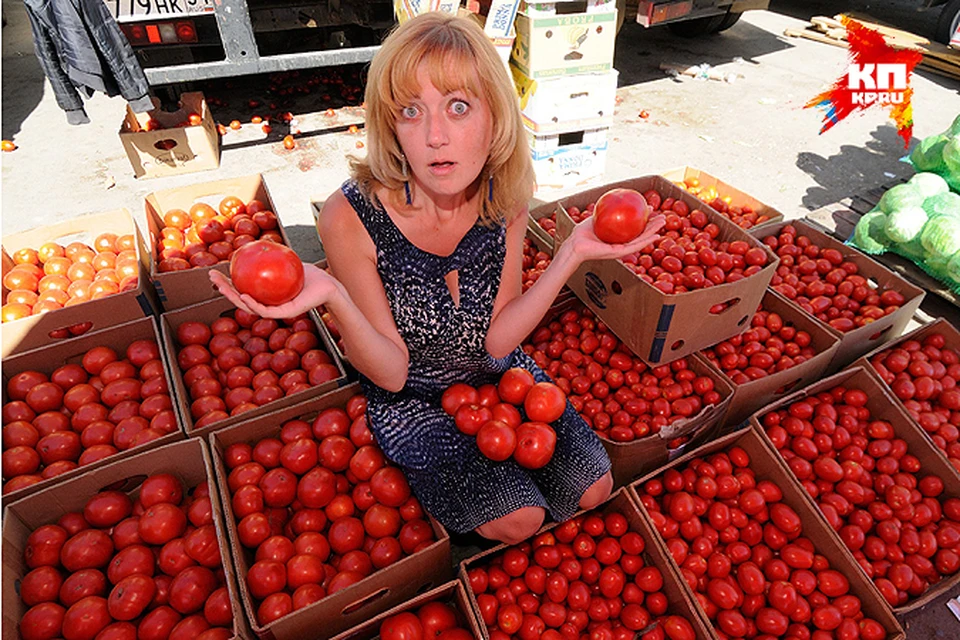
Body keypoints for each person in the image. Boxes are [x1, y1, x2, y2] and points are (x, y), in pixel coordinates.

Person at [211, 11, 664, 544]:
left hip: (499, 373)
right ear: (391, 126)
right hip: (413, 397)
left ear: (494, 116)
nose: (434, 136)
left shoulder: (506, 198)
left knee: (595, 487)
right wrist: (332, 292)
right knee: (521, 519)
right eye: (410, 111)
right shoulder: (350, 217)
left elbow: (498, 338)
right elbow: (392, 374)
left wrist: (570, 253)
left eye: (458, 107)